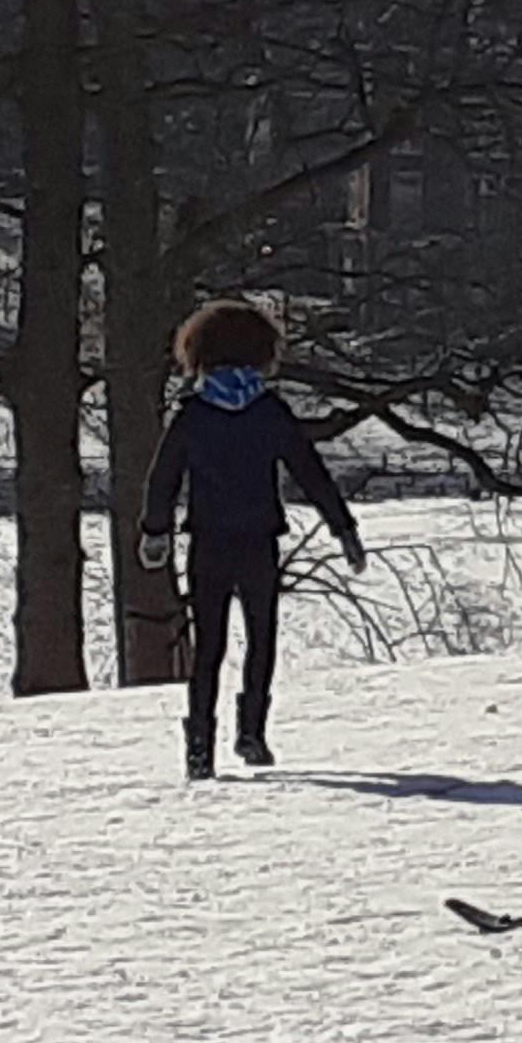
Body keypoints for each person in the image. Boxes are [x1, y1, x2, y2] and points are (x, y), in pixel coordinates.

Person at [134, 298, 362, 777]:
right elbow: (310, 472)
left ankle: (200, 744)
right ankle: (251, 732)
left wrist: (156, 530)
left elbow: (163, 477)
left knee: (209, 647)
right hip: (259, 541)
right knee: (262, 639)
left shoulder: (194, 414)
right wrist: (342, 527)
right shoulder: (269, 411)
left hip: (208, 544)